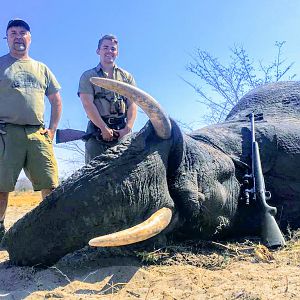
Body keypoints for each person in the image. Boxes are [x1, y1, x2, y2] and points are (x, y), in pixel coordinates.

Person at [0, 19, 62, 240]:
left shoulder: (42, 68)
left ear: (30, 38)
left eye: (23, 32)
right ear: (6, 37)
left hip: (38, 133)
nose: (18, 36)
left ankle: (50, 231)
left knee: (50, 184)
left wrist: (53, 130)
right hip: (7, 133)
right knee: (2, 186)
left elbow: (56, 100)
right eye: (13, 32)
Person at [78, 34, 137, 163]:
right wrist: (104, 128)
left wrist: (127, 129)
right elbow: (87, 104)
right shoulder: (88, 76)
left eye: (113, 49)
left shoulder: (127, 77)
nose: (109, 51)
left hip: (122, 132)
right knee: (92, 176)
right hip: (97, 134)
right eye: (105, 47)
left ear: (117, 53)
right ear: (98, 51)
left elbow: (133, 104)